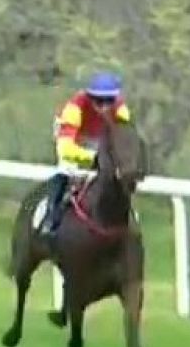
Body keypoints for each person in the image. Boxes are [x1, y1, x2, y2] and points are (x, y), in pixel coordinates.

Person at [41, 71, 133, 239]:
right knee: (67, 168)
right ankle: (51, 216)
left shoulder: (121, 110)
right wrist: (94, 157)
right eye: (99, 101)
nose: (104, 107)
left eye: (109, 101)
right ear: (90, 97)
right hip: (75, 134)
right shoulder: (74, 108)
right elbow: (66, 150)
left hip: (98, 136)